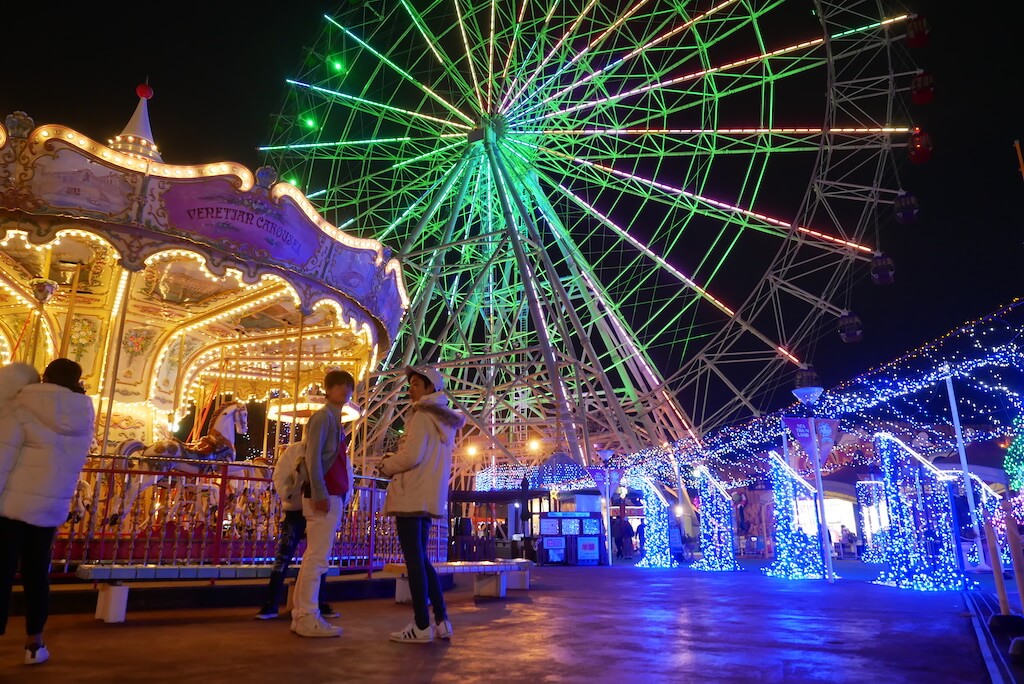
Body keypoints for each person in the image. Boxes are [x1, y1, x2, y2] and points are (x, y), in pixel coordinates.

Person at [0, 359, 95, 665]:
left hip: (11, 507)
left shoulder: (23, 409)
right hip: (50, 509)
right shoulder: (83, 417)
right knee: (37, 576)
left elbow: (2, 460)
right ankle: (34, 644)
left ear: (45, 376)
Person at [378, 365, 465, 644]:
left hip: (411, 493)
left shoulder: (421, 415)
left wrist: (387, 465)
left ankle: (421, 624)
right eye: (411, 383)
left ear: (430, 389)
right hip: (428, 496)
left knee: (414, 560)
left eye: (416, 384)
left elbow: (411, 456)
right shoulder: (443, 422)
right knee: (421, 558)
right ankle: (441, 620)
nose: (411, 388)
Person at [290, 369, 355, 638]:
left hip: (331, 494)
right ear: (328, 390)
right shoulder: (322, 418)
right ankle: (307, 615)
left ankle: (302, 615)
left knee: (315, 558)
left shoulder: (334, 421)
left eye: (348, 386)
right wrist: (319, 492)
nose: (345, 390)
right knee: (316, 559)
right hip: (324, 495)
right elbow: (312, 458)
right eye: (339, 386)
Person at [254, 440, 336, 621]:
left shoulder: (331, 449)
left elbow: (343, 478)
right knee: (283, 557)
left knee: (318, 558)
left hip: (318, 509)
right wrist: (289, 492)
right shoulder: (294, 451)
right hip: (296, 510)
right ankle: (271, 603)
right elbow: (280, 475)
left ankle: (318, 602)